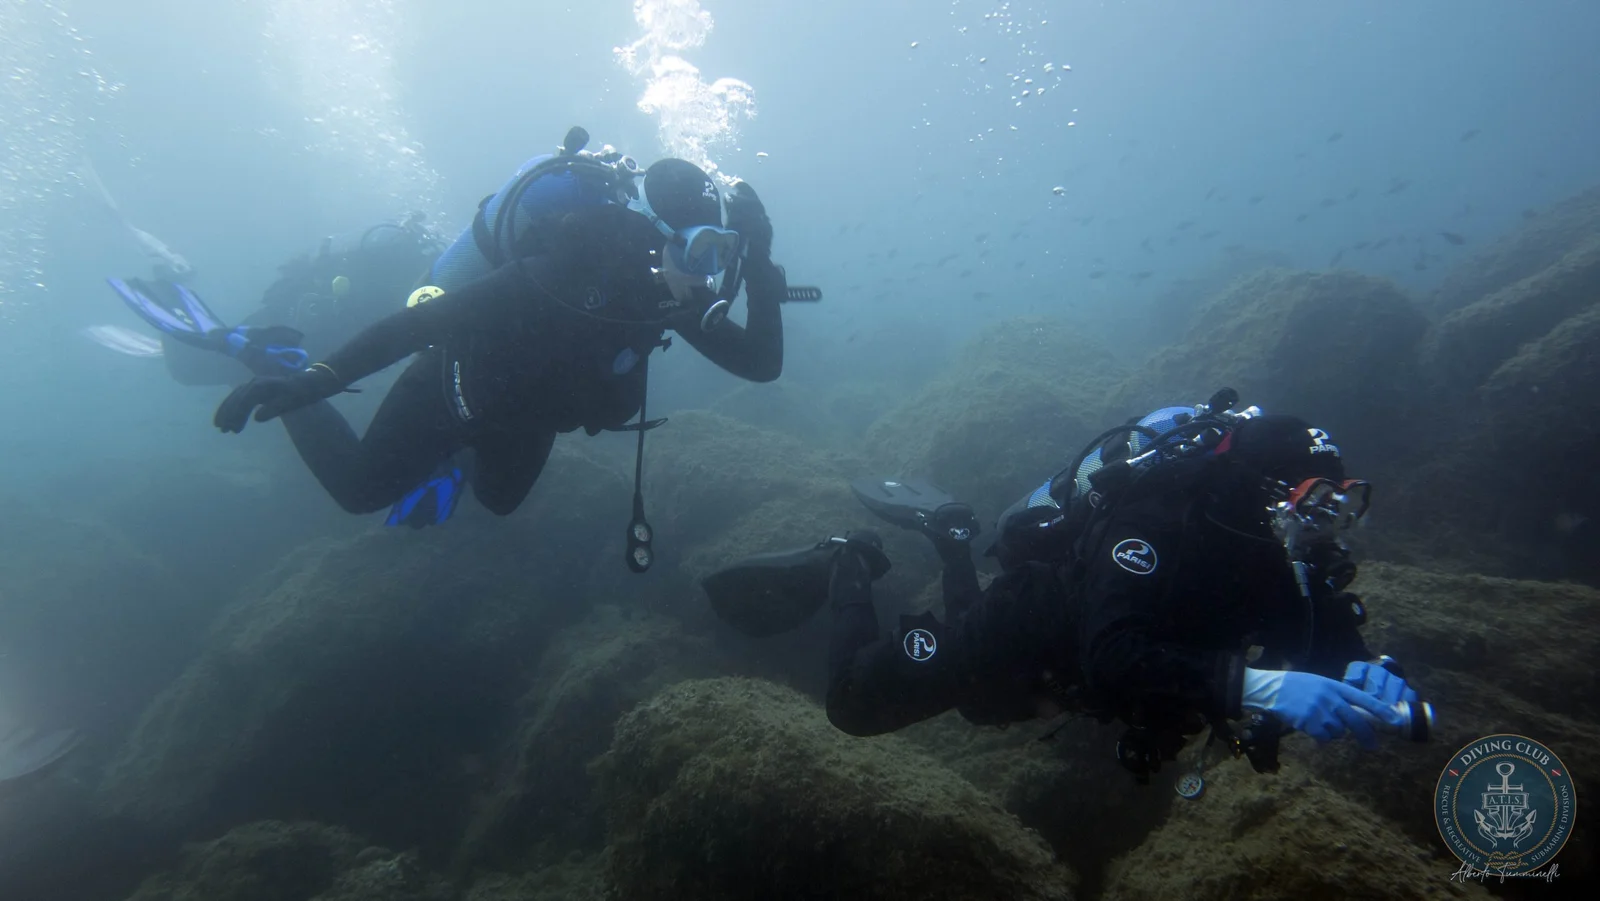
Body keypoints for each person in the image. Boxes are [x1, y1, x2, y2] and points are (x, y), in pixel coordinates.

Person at [703, 393, 1432, 784]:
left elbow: (1327, 635)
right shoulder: (1156, 522)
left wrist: (1365, 672)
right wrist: (1261, 689)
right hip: (1027, 627)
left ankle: (952, 537)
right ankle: (847, 558)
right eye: (1315, 505)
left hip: (1057, 676)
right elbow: (1116, 652)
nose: (1328, 528)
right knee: (854, 708)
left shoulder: (1282, 559)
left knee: (981, 705)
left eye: (1343, 506)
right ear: (1262, 490)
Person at [206, 128, 787, 560]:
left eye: (722, 254)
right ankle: (272, 357)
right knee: (360, 492)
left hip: (526, 418)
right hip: (453, 386)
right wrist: (318, 380)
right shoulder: (555, 274)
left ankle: (450, 466)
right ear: (657, 240)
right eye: (703, 250)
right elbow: (420, 325)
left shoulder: (661, 297)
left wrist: (758, 269)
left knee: (500, 502)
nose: (711, 275)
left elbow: (761, 365)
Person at [108, 215, 446, 387]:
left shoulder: (403, 274)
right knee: (192, 369)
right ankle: (175, 286)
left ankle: (180, 296)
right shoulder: (410, 283)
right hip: (304, 332)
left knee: (222, 355)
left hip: (300, 318)